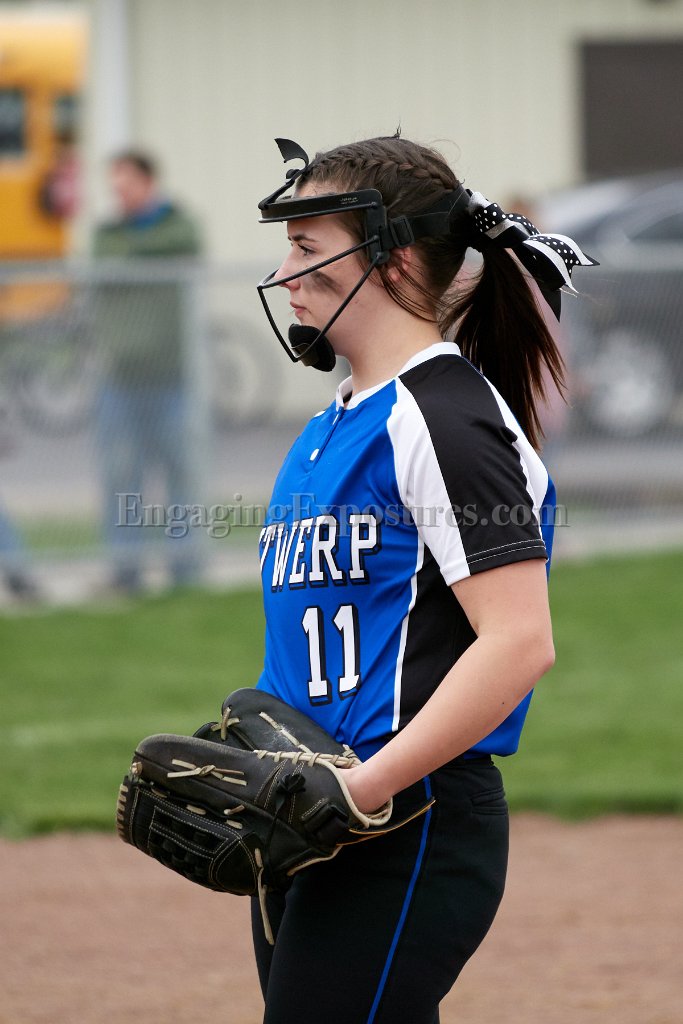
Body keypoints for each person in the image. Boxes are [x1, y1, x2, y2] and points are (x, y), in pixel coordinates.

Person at [250, 134, 596, 1023]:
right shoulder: (330, 426)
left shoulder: (440, 419)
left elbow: (518, 643)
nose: (284, 272)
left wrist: (358, 791)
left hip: (407, 816)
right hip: (313, 814)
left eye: (306, 245)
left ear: (393, 259)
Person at [93, 150, 202, 592]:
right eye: (115, 187)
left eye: (127, 185)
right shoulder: (107, 232)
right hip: (120, 379)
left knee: (180, 471)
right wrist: (134, 255)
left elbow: (185, 244)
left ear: (147, 182)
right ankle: (126, 570)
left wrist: (130, 257)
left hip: (172, 376)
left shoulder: (177, 225)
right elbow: (101, 258)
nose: (120, 195)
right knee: (122, 477)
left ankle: (184, 571)